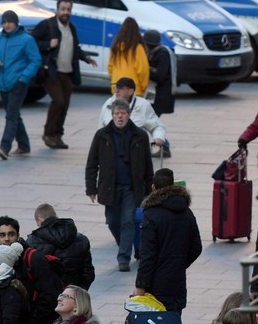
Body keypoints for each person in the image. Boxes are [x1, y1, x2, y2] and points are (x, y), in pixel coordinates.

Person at [85, 98, 153, 272]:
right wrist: (91, 188)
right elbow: (92, 163)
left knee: (128, 221)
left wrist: (149, 189)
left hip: (132, 187)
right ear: (112, 115)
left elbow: (147, 165)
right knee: (113, 221)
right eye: (117, 114)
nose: (120, 117)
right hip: (110, 187)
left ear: (129, 115)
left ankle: (123, 258)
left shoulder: (140, 135)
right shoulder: (102, 135)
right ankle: (127, 244)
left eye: (123, 113)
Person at [133, 168, 202, 314]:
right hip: (177, 281)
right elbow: (196, 246)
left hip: (156, 284)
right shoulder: (187, 212)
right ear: (172, 185)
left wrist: (141, 285)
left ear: (153, 187)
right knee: (174, 317)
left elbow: (147, 254)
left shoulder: (151, 215)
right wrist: (179, 262)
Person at [32, 0, 97, 150]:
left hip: (67, 72)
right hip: (51, 71)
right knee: (58, 101)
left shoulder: (71, 27)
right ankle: (48, 134)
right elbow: (32, 41)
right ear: (57, 10)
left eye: (68, 9)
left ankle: (57, 136)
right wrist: (48, 44)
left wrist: (86, 57)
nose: (65, 12)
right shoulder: (47, 25)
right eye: (63, 9)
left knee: (65, 105)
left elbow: (75, 47)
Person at [0, 10, 41, 160]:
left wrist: (24, 77)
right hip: (3, 83)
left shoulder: (26, 39)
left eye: (9, 22)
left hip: (18, 83)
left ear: (16, 23)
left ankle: (4, 147)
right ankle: (24, 145)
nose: (6, 25)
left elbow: (35, 60)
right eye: (4, 22)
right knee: (14, 115)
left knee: (11, 114)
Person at [0, 215, 62, 324]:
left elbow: (49, 297)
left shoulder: (33, 258)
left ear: (18, 236)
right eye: (2, 235)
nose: (7, 239)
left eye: (11, 234)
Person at [25, 203, 95, 290]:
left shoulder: (32, 241)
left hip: (47, 294)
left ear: (39, 219)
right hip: (74, 293)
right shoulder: (81, 239)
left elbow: (29, 273)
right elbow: (88, 272)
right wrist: (79, 291)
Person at [99, 77, 169, 157]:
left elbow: (157, 126)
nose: (117, 91)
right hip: (112, 150)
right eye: (116, 88)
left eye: (120, 88)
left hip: (136, 150)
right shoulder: (108, 104)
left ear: (130, 91)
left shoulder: (143, 105)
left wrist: (158, 137)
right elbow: (101, 128)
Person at [107, 16, 149, 96]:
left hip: (116, 87)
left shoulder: (116, 46)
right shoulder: (137, 48)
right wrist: (143, 88)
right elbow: (143, 71)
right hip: (133, 89)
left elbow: (110, 68)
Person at [143, 29, 175, 118]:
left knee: (152, 119)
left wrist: (145, 69)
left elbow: (160, 76)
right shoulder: (153, 53)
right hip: (155, 94)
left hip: (160, 95)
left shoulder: (162, 54)